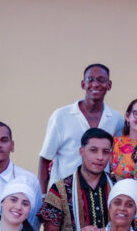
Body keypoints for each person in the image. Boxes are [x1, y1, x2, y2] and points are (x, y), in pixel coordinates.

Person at [38, 63, 123, 193]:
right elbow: (45, 159)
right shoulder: (61, 116)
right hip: (64, 194)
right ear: (83, 84)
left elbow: (123, 153)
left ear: (109, 85)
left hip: (100, 194)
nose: (95, 84)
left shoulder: (116, 119)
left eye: (101, 80)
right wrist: (42, 197)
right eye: (90, 79)